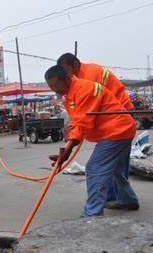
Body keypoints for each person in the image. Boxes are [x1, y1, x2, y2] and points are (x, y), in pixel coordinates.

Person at [44, 65, 139, 217]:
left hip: (116, 131)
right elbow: (78, 120)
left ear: (67, 78)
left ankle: (92, 215)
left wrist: (68, 152)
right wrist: (70, 134)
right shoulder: (70, 94)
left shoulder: (84, 89)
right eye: (51, 87)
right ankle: (128, 199)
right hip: (121, 129)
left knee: (95, 168)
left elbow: (83, 123)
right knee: (115, 169)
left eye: (56, 85)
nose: (55, 90)